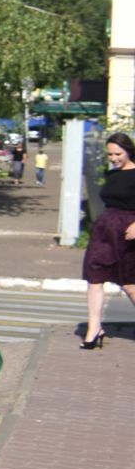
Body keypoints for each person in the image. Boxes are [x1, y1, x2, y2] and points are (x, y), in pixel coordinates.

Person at [82, 132, 135, 348]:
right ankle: (94, 329)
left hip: (128, 232)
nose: (114, 158)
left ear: (129, 151)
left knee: (130, 284)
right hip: (105, 231)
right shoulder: (112, 173)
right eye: (110, 154)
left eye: (118, 154)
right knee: (94, 277)